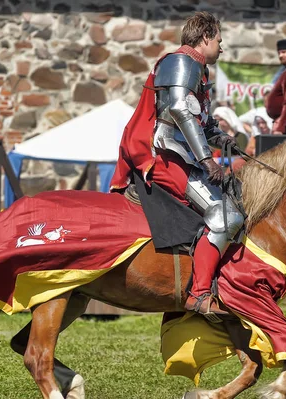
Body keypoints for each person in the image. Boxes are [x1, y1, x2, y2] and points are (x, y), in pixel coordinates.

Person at [110, 12, 244, 320]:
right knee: (225, 216)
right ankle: (198, 295)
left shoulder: (196, 68)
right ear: (206, 37)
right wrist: (206, 159)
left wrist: (224, 139)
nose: (221, 48)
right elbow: (181, 113)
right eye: (219, 41)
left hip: (179, 153)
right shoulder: (183, 62)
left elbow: (202, 122)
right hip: (165, 155)